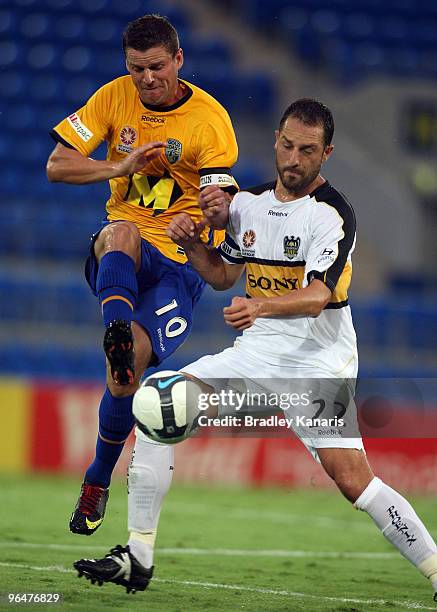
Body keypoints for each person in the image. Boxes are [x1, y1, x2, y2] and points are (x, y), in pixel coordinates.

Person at [73, 98, 437, 600]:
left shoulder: (332, 215)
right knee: (157, 406)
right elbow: (223, 277)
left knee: (354, 482)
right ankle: (137, 556)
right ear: (276, 140)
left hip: (319, 362)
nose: (293, 158)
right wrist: (194, 244)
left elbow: (316, 297)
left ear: (326, 153)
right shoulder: (249, 204)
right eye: (287, 145)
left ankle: (436, 570)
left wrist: (260, 308)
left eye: (306, 150)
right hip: (257, 351)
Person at [46, 14, 238, 537]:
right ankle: (115, 328)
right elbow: (57, 165)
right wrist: (118, 168)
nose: (147, 79)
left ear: (178, 60)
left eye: (156, 67)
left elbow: (223, 206)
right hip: (125, 252)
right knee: (120, 230)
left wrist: (201, 221)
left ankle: (97, 480)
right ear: (126, 66)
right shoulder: (112, 98)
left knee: (123, 375)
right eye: (136, 69)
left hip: (180, 264)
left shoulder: (210, 120)